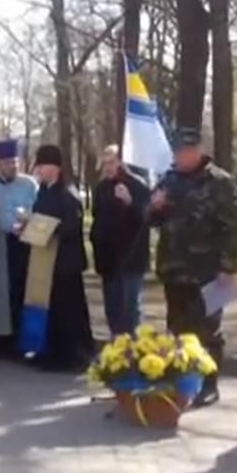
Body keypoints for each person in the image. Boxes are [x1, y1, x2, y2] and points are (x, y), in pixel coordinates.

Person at [149, 127, 237, 407]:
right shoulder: (169, 180)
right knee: (177, 328)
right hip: (173, 268)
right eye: (178, 152)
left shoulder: (220, 182)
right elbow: (151, 220)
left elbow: (233, 227)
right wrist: (155, 207)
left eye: (187, 151)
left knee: (207, 331)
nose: (182, 156)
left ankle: (209, 384)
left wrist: (228, 266)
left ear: (199, 151)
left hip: (208, 271)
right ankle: (182, 379)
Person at [25, 144, 93, 371]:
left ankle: (73, 355)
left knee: (68, 310)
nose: (39, 170)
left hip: (66, 262)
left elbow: (71, 226)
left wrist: (45, 229)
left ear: (55, 168)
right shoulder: (44, 191)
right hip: (46, 260)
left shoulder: (68, 194)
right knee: (50, 308)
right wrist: (28, 226)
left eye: (43, 166)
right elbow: (38, 216)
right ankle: (50, 351)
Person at [0, 139, 38, 358]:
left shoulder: (30, 184)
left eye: (15, 161)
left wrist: (27, 223)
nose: (12, 166)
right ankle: (2, 340)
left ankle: (26, 343)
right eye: (7, 162)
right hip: (0, 245)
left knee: (24, 292)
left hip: (26, 245)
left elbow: (38, 209)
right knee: (2, 294)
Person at [90, 144, 150, 336]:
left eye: (112, 162)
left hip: (131, 258)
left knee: (130, 311)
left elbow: (147, 218)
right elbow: (97, 218)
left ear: (122, 163)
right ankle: (116, 354)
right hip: (109, 260)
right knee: (113, 311)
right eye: (104, 163)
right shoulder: (101, 188)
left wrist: (130, 203)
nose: (107, 167)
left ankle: (134, 354)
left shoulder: (137, 185)